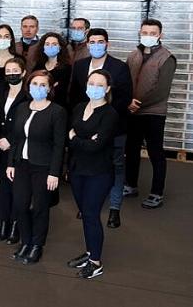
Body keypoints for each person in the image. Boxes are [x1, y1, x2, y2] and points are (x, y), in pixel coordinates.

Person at [69, 28, 132, 228]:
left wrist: (104, 120)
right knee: (86, 165)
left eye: (100, 41)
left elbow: (125, 98)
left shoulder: (119, 67)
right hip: (84, 129)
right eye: (92, 42)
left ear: (107, 44)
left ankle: (114, 208)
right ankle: (87, 205)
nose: (96, 45)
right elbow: (74, 96)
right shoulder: (80, 66)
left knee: (116, 166)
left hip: (114, 127)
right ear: (87, 44)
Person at [5, 70, 67, 265]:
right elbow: (16, 139)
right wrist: (11, 163)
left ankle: (37, 245)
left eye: (42, 85)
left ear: (49, 89)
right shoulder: (22, 108)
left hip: (43, 166)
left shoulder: (57, 112)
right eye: (34, 84)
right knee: (21, 204)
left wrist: (54, 173)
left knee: (40, 207)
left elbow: (59, 145)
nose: (38, 88)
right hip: (21, 164)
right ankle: (26, 241)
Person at [67, 69, 118, 280]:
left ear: (107, 89)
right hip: (77, 169)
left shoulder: (110, 114)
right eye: (91, 83)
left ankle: (96, 263)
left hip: (99, 172)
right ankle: (90, 252)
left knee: (91, 214)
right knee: (85, 213)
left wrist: (76, 139)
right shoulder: (79, 108)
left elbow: (96, 146)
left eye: (99, 85)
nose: (94, 88)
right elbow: (73, 136)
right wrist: (84, 141)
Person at [124, 19, 177, 210]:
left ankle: (156, 193)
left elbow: (161, 91)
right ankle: (130, 185)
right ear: (140, 33)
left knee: (155, 153)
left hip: (154, 113)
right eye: (145, 32)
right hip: (132, 112)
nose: (148, 36)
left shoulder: (167, 58)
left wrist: (136, 105)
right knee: (131, 150)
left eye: (152, 33)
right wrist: (127, 101)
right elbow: (125, 81)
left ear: (160, 35)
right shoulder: (133, 55)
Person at [0, 58, 29, 244]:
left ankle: (15, 224)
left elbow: (30, 122)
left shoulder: (28, 94)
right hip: (0, 146)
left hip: (19, 146)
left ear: (23, 72)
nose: (11, 74)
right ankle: (3, 223)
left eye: (15, 70)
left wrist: (11, 141)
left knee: (18, 187)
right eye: (8, 71)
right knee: (3, 187)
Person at [37, 32, 71, 109]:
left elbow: (62, 91)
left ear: (60, 47)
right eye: (47, 44)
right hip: (39, 104)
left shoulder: (66, 68)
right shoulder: (38, 66)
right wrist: (52, 86)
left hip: (57, 107)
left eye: (54, 44)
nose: (50, 47)